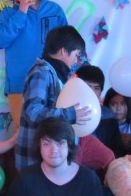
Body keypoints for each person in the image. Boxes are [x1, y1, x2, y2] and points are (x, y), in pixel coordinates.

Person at [0, 0, 68, 123]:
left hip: (52, 83)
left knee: (53, 131)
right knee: (23, 134)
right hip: (20, 83)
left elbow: (67, 45)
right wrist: (21, 12)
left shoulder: (55, 10)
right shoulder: (8, 11)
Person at [15, 25, 92, 170]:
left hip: (48, 162)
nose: (76, 60)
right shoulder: (42, 72)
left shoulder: (56, 75)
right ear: (63, 51)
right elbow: (33, 111)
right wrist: (69, 114)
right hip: (34, 163)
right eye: (76, 54)